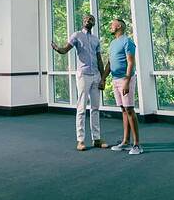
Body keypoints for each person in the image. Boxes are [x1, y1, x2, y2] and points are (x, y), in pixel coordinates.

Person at [51, 14, 108, 151]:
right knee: (81, 108)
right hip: (83, 75)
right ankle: (80, 140)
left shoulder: (95, 40)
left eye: (91, 19)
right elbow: (65, 49)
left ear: (94, 23)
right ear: (83, 21)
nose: (89, 21)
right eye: (86, 19)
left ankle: (97, 139)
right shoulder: (76, 35)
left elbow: (99, 59)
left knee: (95, 108)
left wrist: (103, 78)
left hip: (96, 75)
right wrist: (58, 49)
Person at [101, 18, 142, 155]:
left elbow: (131, 62)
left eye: (112, 24)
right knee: (123, 110)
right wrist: (103, 78)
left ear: (118, 26)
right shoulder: (113, 43)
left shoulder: (127, 41)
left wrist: (126, 80)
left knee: (130, 110)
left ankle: (137, 145)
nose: (110, 26)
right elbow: (109, 63)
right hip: (115, 79)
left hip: (126, 79)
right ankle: (125, 141)